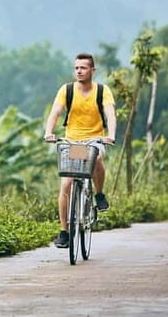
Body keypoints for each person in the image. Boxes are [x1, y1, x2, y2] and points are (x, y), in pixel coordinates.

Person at [44, 52, 117, 248]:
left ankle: (99, 194)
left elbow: (110, 114)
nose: (79, 71)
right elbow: (55, 113)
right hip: (73, 142)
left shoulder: (102, 91)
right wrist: (49, 132)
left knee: (98, 161)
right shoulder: (67, 90)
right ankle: (64, 231)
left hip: (95, 139)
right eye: (76, 68)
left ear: (93, 70)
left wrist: (111, 134)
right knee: (66, 183)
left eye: (83, 68)